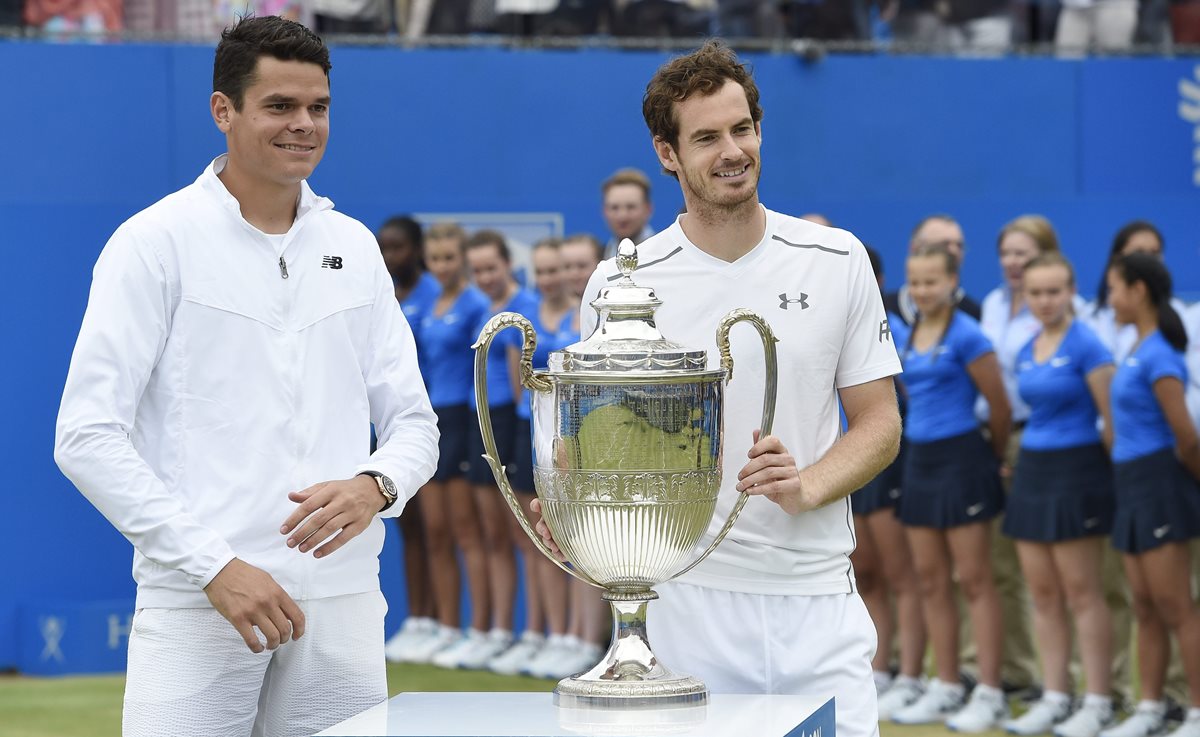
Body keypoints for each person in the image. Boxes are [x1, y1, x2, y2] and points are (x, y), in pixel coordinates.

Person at [53, 16, 440, 737]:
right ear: (222, 111)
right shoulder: (153, 242)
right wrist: (212, 566)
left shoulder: (354, 246)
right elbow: (85, 436)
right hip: (198, 605)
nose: (304, 125)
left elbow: (415, 424)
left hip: (343, 602)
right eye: (280, 106)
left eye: (318, 107)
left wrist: (377, 486)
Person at [542, 40, 903, 737]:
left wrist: (809, 484)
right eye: (706, 137)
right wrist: (570, 507)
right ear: (667, 153)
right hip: (682, 606)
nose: (732, 151)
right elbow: (586, 444)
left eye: (743, 129)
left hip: (817, 602)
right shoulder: (621, 282)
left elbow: (880, 423)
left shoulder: (838, 259)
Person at [890, 242, 1012, 732]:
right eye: (916, 282)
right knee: (931, 579)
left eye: (932, 282)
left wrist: (993, 457)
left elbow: (999, 407)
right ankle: (945, 685)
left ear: (953, 283)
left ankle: (990, 691)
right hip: (920, 462)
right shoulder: (911, 331)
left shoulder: (969, 335)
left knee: (975, 580)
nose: (922, 291)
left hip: (964, 461)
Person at [1001, 253, 1118, 737]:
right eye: (1036, 293)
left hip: (1079, 473)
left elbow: (1111, 421)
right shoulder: (1026, 347)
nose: (1045, 301)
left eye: (1054, 292)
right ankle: (1055, 696)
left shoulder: (1089, 344)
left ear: (1071, 292)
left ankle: (1099, 700)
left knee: (1082, 593)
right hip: (1033, 471)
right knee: (1044, 593)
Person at [1100, 253, 1200, 737]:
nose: (1109, 299)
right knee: (1143, 604)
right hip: (1132, 485)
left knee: (1176, 605)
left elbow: (1187, 438)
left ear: (1138, 291)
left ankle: (1197, 713)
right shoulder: (1138, 345)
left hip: (1159, 485)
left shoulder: (1159, 354)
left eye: (1115, 288)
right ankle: (1150, 708)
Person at [431, 229, 536, 669]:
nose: (485, 277)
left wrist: (516, 426)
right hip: (480, 422)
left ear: (508, 264)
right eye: (478, 271)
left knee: (521, 535)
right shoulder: (485, 309)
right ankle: (492, 631)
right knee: (491, 532)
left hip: (508, 421)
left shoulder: (523, 307)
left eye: (492, 267)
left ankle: (530, 633)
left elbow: (520, 382)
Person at [490, 237, 580, 678]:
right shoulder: (526, 315)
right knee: (535, 537)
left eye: (556, 269)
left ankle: (577, 639)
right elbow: (517, 385)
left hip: (575, 439)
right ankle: (547, 634)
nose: (548, 279)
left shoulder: (583, 316)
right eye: (541, 271)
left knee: (578, 539)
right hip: (532, 434)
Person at [406, 221, 492, 665]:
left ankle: (479, 629)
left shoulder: (476, 304)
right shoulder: (427, 304)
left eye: (450, 258)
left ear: (463, 259)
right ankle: (445, 626)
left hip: (462, 417)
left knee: (465, 531)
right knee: (435, 530)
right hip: (433, 417)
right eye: (435, 259)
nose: (442, 266)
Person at [852, 246, 927, 720]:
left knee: (902, 575)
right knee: (866, 574)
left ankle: (912, 674)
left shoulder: (892, 330)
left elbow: (910, 402)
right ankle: (879, 670)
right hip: (846, 462)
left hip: (890, 465)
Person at [376, 215, 443, 663]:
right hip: (391, 429)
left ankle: (442, 622)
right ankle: (419, 621)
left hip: (431, 424)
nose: (388, 257)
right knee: (410, 528)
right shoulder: (385, 294)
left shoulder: (435, 296)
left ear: (417, 250)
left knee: (437, 531)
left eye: (397, 247)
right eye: (383, 247)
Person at [883, 214, 982, 326]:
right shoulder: (885, 309)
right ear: (914, 248)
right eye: (944, 244)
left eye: (959, 246)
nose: (954, 252)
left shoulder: (974, 315)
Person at [600, 168, 655, 260]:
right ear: (604, 211)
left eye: (631, 207)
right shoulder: (598, 258)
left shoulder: (664, 253)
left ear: (648, 210)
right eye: (614, 207)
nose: (622, 216)